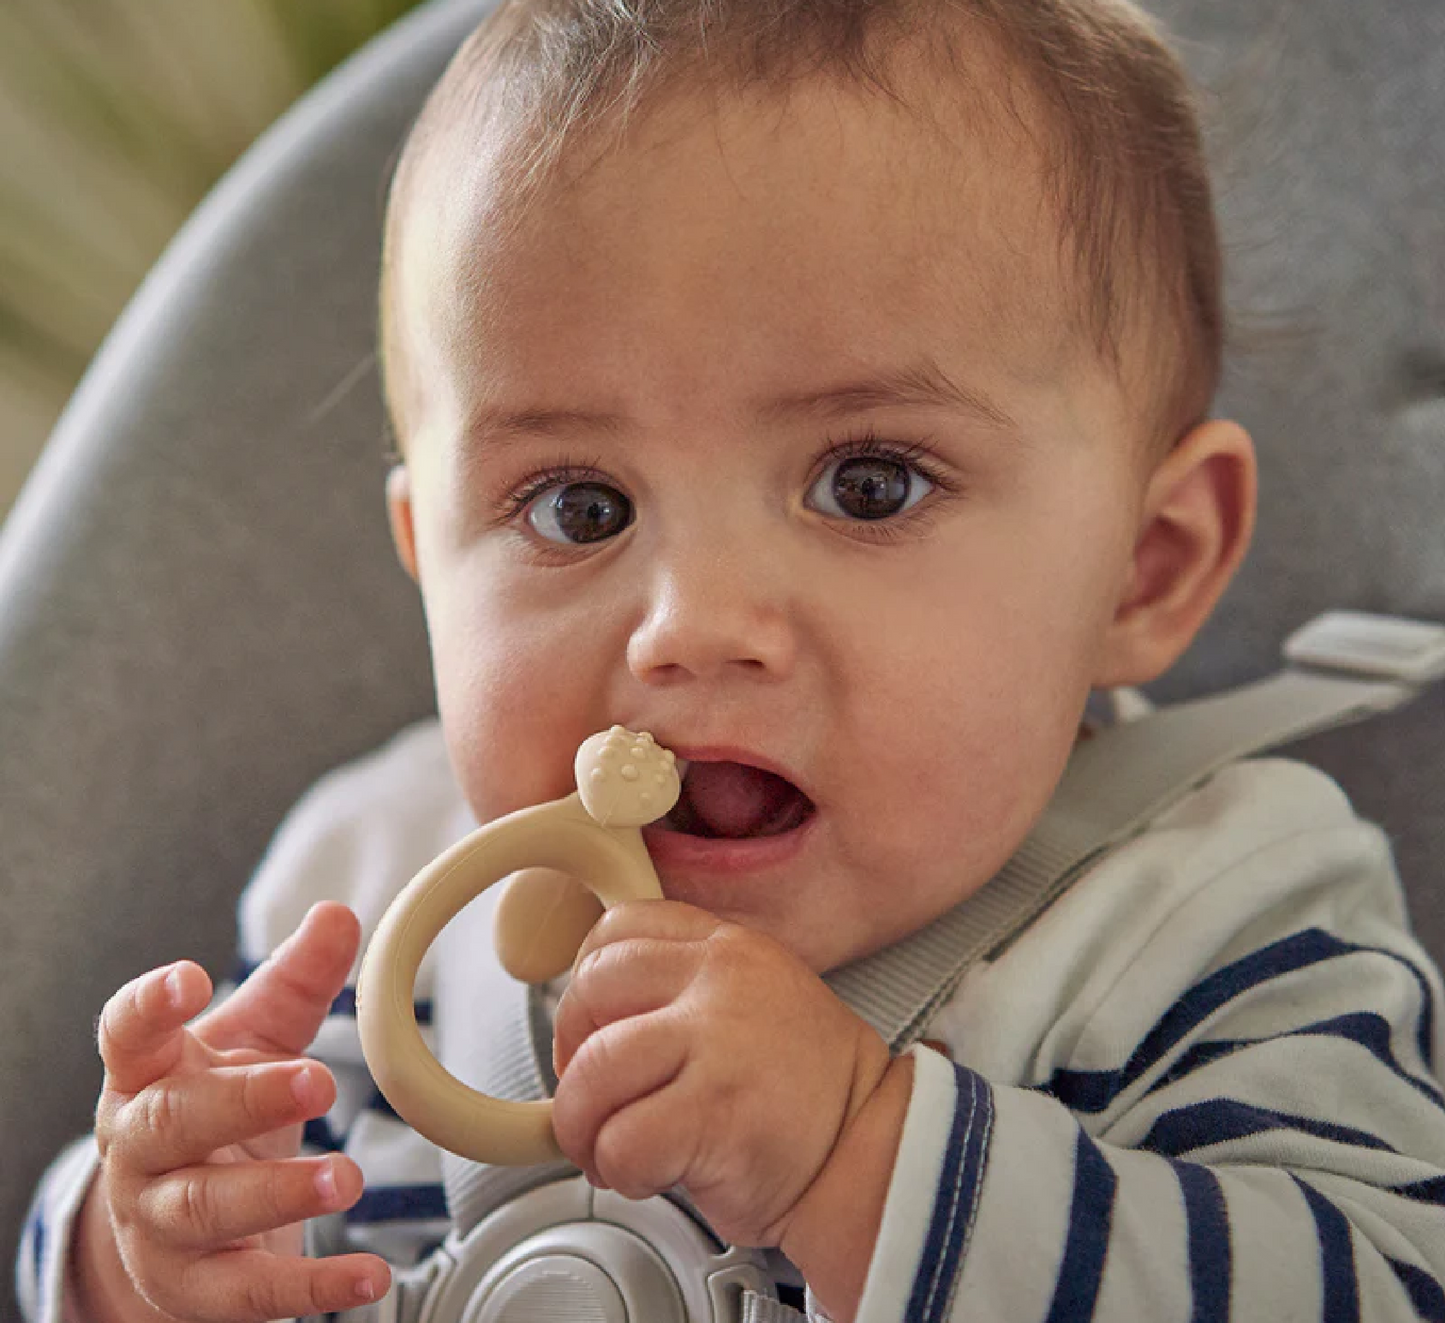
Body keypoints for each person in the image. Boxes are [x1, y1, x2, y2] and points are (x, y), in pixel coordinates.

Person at [20, 0, 1445, 1319]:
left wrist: (863, 1159)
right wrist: (136, 1249)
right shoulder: (374, 898)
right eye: (581, 507)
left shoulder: (1211, 918)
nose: (690, 624)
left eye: (870, 483)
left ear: (1148, 566)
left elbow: (1384, 1284)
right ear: (427, 559)